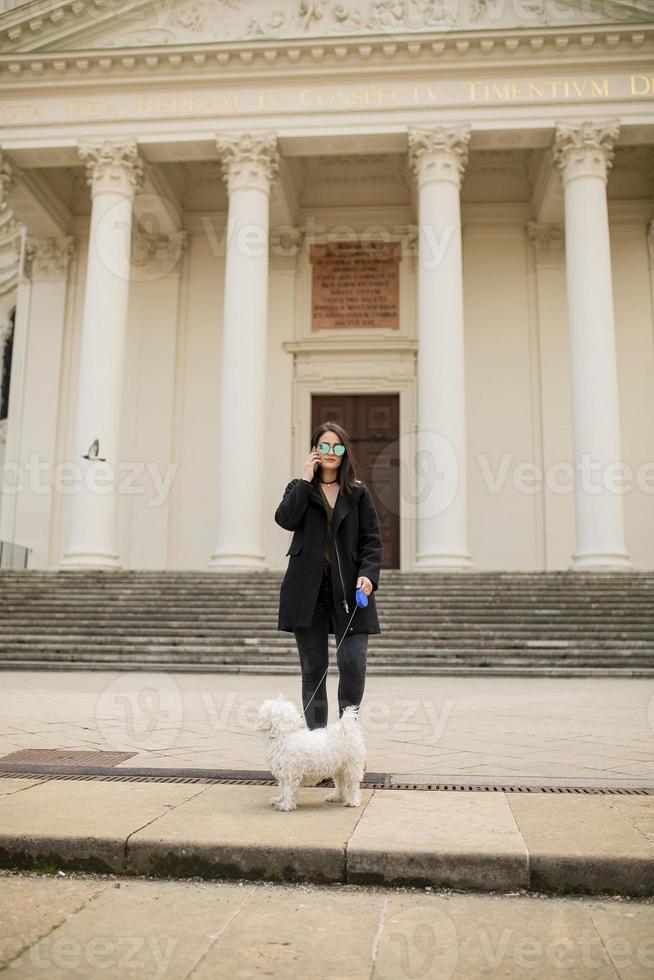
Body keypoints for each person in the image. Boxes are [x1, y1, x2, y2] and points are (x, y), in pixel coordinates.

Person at [274, 421, 383, 731]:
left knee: (352, 665)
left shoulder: (358, 493)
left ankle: (348, 742)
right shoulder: (298, 489)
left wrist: (368, 575)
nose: (331, 452)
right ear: (315, 450)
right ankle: (317, 744)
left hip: (350, 590)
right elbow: (285, 519)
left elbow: (371, 540)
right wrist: (306, 479)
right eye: (324, 446)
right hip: (307, 589)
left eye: (337, 446)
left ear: (344, 451)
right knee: (314, 670)